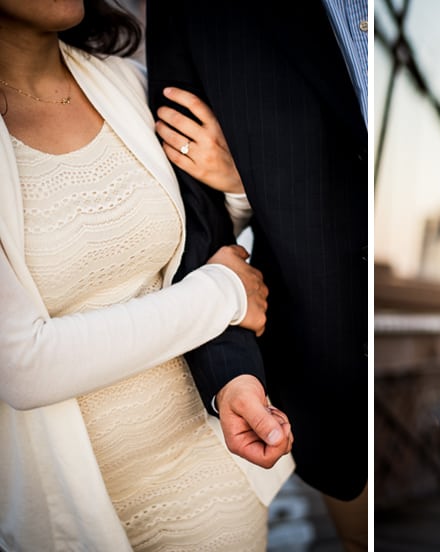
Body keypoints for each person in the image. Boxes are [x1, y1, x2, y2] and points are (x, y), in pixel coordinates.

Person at [0, 1, 293, 549]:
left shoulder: (130, 85)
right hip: (69, 513)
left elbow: (193, 241)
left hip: (209, 469)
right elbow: (21, 364)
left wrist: (231, 183)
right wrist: (223, 293)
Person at [144, 2, 368, 548]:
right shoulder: (198, 15)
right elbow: (193, 216)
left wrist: (253, 178)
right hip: (327, 376)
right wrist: (232, 374)